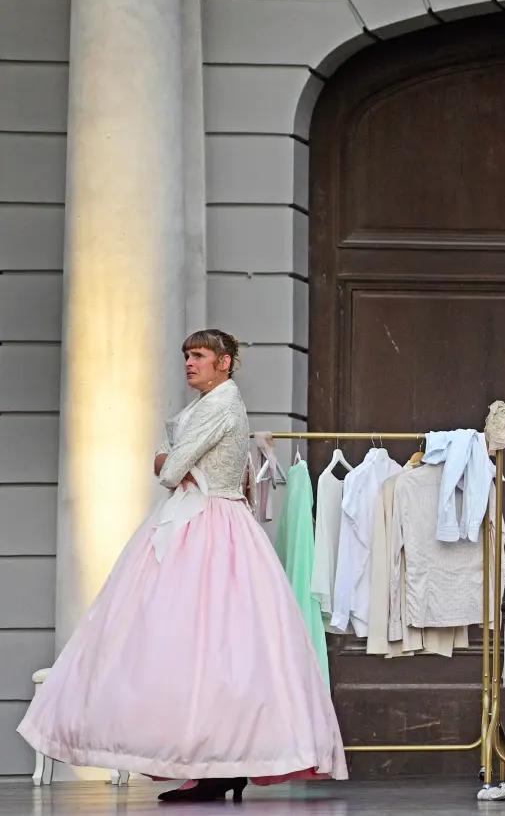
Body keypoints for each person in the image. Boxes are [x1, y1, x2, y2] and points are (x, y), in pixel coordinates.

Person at [18, 330, 346, 802]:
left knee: (207, 645)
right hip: (203, 518)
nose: (189, 363)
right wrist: (172, 462)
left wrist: (161, 460)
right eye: (187, 356)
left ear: (225, 362)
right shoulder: (211, 403)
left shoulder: (221, 406)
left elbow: (171, 472)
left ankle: (215, 764)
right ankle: (209, 764)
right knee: (197, 649)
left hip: (210, 524)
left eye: (199, 356)